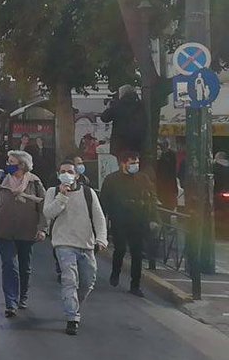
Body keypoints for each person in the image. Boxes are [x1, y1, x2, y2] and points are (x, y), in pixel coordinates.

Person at [41, 159, 108, 335]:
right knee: (70, 279)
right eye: (63, 171)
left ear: (77, 175)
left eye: (70, 171)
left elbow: (98, 217)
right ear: (58, 175)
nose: (67, 174)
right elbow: (48, 213)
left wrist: (101, 239)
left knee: (87, 281)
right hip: (63, 243)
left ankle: (73, 302)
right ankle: (72, 317)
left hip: (86, 243)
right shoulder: (52, 191)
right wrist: (62, 196)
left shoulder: (88, 193)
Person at [0, 150, 46, 317]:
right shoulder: (2, 180)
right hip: (3, 230)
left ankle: (23, 296)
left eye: (11, 161)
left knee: (24, 266)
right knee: (9, 264)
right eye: (8, 161)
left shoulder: (34, 182)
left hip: (27, 230)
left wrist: (42, 228)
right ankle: (11, 302)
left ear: (22, 164)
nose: (8, 164)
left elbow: (43, 206)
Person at [101, 151, 154, 297]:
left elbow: (151, 198)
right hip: (119, 222)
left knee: (137, 254)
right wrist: (101, 223)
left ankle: (135, 285)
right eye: (132, 163)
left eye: (136, 163)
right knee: (120, 249)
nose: (135, 166)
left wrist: (152, 217)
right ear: (123, 163)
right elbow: (104, 201)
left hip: (138, 222)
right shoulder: (112, 180)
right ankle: (115, 273)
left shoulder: (142, 178)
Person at [100, 85, 147, 157]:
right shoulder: (140, 106)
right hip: (136, 144)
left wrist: (109, 107)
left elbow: (104, 118)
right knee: (134, 162)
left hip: (119, 144)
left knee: (122, 163)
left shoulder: (117, 105)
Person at [155, 139, 179, 210]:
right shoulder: (158, 158)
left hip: (169, 185)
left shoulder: (171, 155)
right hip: (161, 187)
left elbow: (171, 168)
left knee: (169, 205)